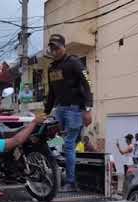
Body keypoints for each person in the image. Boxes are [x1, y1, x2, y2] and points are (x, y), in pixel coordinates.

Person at [44, 33, 93, 192]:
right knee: (50, 141)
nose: (54, 50)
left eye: (57, 47)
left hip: (74, 109)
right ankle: (54, 175)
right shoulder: (51, 68)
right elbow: (51, 92)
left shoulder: (74, 62)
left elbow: (87, 83)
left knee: (69, 145)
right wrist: (45, 113)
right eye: (52, 47)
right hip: (59, 109)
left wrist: (87, 109)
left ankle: (71, 182)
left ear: (64, 47)